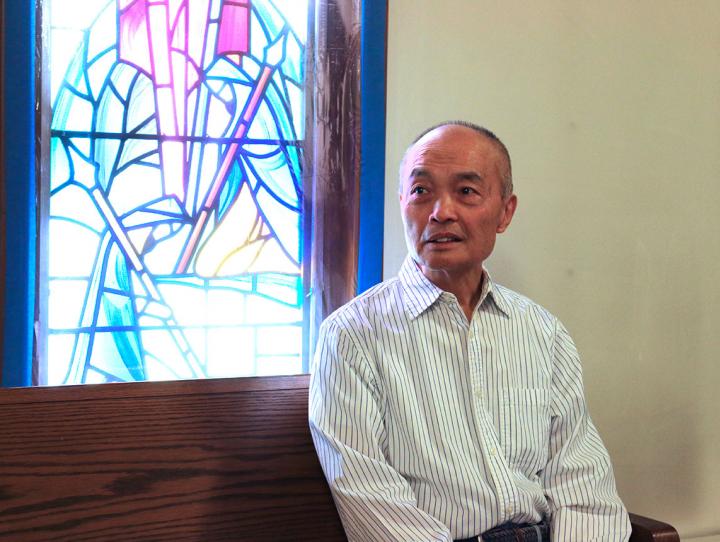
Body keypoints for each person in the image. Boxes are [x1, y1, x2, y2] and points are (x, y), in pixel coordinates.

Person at [309, 121, 631, 542]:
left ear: (505, 212)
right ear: (402, 202)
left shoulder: (542, 332)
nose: (441, 212)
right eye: (422, 191)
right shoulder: (351, 337)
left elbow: (585, 490)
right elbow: (371, 502)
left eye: (466, 191)